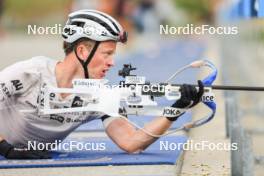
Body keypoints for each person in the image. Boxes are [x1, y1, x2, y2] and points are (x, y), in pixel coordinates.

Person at [0, 9, 204, 159]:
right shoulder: (29, 73)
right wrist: (5, 148)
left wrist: (175, 110)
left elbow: (131, 142)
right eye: (107, 53)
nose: (112, 62)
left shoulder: (99, 94)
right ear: (82, 52)